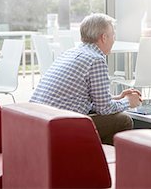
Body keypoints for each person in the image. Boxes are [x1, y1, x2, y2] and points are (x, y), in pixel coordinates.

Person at [30, 13, 142, 145]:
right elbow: (104, 109)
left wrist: (117, 99)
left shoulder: (70, 53)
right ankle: (101, 163)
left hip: (38, 121)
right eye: (113, 35)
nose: (114, 39)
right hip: (59, 127)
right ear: (104, 37)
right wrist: (128, 102)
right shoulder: (96, 59)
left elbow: (77, 99)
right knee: (123, 120)